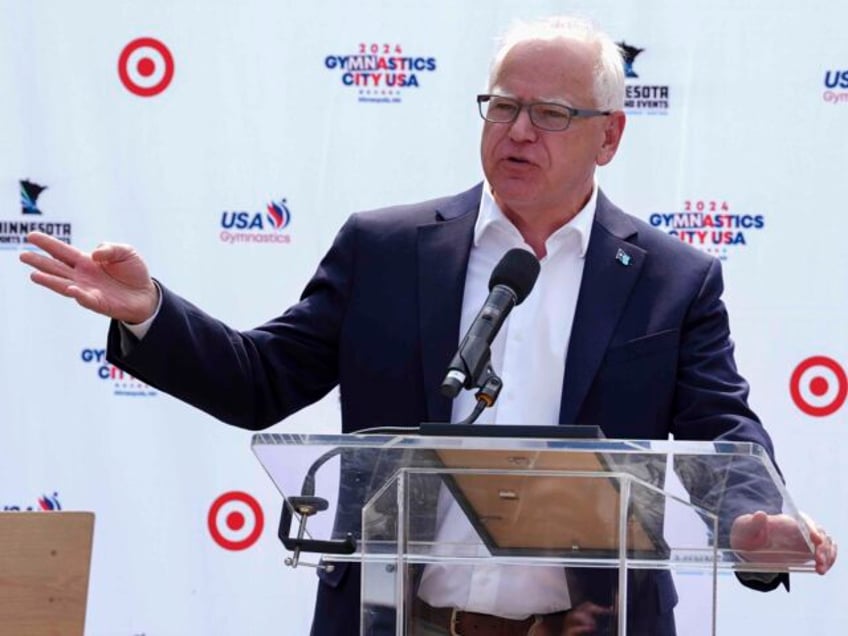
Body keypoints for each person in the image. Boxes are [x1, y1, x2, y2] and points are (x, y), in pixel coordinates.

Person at [21, 14, 835, 636]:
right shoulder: (384, 249)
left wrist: (752, 524)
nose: (518, 131)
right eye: (503, 106)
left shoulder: (673, 278)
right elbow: (261, 381)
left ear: (610, 136)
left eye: (551, 113)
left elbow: (720, 427)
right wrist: (151, 313)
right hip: (393, 620)